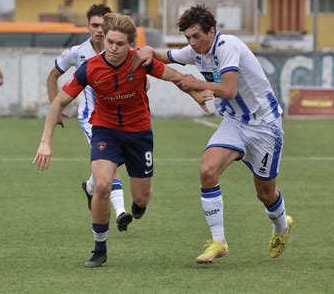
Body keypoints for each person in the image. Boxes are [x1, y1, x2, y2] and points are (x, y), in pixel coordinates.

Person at [34, 13, 213, 268]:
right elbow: (58, 102)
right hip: (105, 132)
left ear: (131, 44)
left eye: (120, 44)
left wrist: (195, 94)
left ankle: (138, 207)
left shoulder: (141, 61)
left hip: (139, 134)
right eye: (109, 42)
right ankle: (99, 248)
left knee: (142, 198)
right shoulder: (90, 68)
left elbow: (175, 77)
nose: (114, 48)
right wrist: (45, 142)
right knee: (103, 186)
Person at [133, 4, 293, 264]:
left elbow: (228, 90)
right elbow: (165, 56)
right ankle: (219, 241)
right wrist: (149, 50)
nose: (192, 43)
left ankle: (281, 226)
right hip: (234, 122)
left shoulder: (227, 46)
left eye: (196, 36)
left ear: (212, 31)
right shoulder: (197, 51)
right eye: (187, 37)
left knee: (265, 194)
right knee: (207, 171)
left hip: (265, 124)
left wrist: (195, 83)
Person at [46, 4, 134, 232]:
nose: (99, 30)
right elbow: (52, 76)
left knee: (104, 168)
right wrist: (55, 110)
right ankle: (122, 211)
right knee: (111, 162)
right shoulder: (77, 52)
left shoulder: (120, 50)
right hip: (91, 118)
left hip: (120, 117)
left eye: (103, 25)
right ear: (88, 27)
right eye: (94, 25)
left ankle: (90, 187)